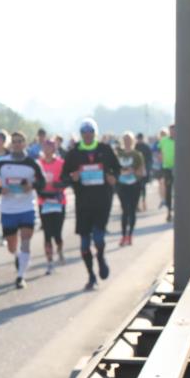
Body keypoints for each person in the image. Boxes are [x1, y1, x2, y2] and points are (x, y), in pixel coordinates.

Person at [63, 118, 121, 290]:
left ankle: (101, 258)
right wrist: (72, 177)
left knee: (98, 238)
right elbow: (64, 176)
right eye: (84, 132)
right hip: (83, 203)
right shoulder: (74, 153)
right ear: (81, 134)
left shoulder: (105, 149)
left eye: (91, 132)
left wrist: (113, 178)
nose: (87, 135)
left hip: (102, 201)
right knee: (84, 244)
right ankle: (91, 276)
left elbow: (117, 169)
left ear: (95, 133)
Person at [0, 131, 45, 288]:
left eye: (20, 141)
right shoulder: (2, 163)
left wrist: (31, 186)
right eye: (15, 141)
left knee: (26, 241)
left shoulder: (32, 163)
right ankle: (18, 256)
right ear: (11, 144)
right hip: (8, 209)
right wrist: (0, 189)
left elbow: (43, 182)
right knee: (11, 246)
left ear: (25, 143)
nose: (17, 144)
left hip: (27, 208)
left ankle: (21, 276)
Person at [37, 138, 67, 274]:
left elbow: (67, 180)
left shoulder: (61, 163)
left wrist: (58, 185)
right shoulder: (38, 164)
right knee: (47, 233)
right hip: (44, 201)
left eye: (50, 147)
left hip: (58, 201)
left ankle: (59, 249)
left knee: (57, 233)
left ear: (54, 149)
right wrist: (40, 188)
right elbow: (34, 180)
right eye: (45, 147)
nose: (47, 150)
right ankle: (49, 262)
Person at [115, 132, 145, 246]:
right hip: (122, 185)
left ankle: (130, 235)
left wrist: (133, 171)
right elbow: (114, 169)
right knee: (125, 211)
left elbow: (141, 171)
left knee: (132, 210)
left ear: (133, 141)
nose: (127, 142)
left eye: (129, 140)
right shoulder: (119, 154)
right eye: (125, 139)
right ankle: (123, 235)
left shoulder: (137, 155)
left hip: (134, 185)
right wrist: (121, 172)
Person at [159, 124, 176, 221]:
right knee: (168, 190)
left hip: (179, 169)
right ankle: (169, 211)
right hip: (167, 168)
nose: (173, 132)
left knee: (178, 190)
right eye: (171, 131)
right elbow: (159, 150)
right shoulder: (164, 140)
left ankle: (178, 210)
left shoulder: (181, 140)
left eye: (174, 131)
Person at [134, 132, 154, 212]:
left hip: (144, 170)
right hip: (135, 171)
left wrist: (147, 170)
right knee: (136, 188)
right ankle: (137, 204)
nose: (139, 140)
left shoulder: (146, 147)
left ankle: (143, 202)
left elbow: (150, 159)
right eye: (138, 138)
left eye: (140, 138)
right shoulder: (135, 146)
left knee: (142, 187)